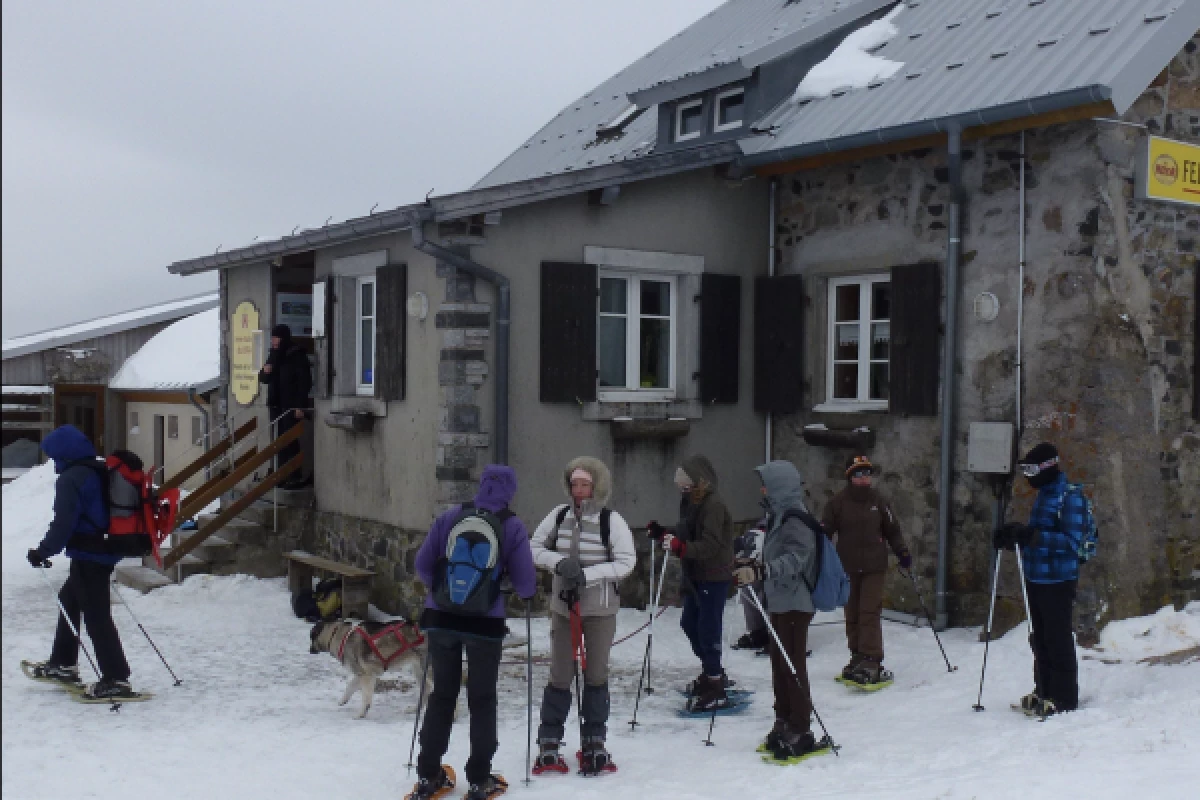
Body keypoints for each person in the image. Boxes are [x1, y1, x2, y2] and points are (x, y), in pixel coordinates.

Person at [409, 465, 537, 800]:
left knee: (442, 695)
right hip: (484, 624)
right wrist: (503, 584)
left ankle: (428, 775)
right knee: (482, 699)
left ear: (480, 484)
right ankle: (479, 779)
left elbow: (422, 566)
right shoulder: (512, 526)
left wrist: (444, 590)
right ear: (511, 490)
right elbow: (526, 586)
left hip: (440, 619)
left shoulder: (451, 516)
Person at [529, 457, 636, 774]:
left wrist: (588, 575)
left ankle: (594, 740)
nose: (579, 491)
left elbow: (626, 562)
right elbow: (533, 547)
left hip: (599, 610)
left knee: (596, 673)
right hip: (563, 609)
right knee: (561, 673)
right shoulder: (558, 516)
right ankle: (549, 741)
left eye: (585, 484)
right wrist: (559, 564)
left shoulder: (611, 521)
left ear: (597, 485)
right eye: (574, 484)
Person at [24, 425, 136, 699]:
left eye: (53, 455)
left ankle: (116, 679)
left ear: (62, 453)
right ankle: (62, 664)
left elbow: (64, 523)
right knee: (69, 600)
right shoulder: (98, 469)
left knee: (97, 616)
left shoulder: (72, 478)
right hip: (106, 548)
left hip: (90, 554)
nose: (52, 461)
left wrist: (42, 552)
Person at [733, 460, 825, 760]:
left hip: (796, 603)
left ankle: (800, 727)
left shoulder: (794, 518)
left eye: (766, 484)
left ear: (780, 486)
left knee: (792, 664)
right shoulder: (778, 515)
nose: (762, 489)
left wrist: (763, 571)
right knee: (778, 664)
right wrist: (753, 565)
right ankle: (783, 720)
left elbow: (797, 558)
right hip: (779, 600)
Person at [993, 442, 1088, 717]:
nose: (1027, 476)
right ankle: (1044, 689)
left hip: (1058, 580)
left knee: (1057, 639)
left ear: (1048, 467)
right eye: (1024, 470)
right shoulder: (1044, 495)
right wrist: (1015, 537)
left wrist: (1031, 536)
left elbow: (1071, 543)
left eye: (1031, 470)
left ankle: (1065, 697)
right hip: (1036, 577)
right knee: (1041, 639)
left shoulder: (1070, 498)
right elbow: (1038, 535)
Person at [652, 454, 736, 711]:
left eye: (686, 485)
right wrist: (664, 533)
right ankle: (712, 671)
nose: (683, 489)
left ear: (700, 481)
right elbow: (687, 531)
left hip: (714, 574)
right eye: (681, 486)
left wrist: (681, 548)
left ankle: (715, 683)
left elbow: (711, 544)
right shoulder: (690, 502)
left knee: (708, 628)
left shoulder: (714, 505)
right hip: (695, 575)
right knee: (690, 624)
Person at [820, 455, 911, 686]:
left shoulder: (879, 500)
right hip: (847, 567)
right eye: (859, 474)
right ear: (850, 477)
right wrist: (821, 558)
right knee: (852, 613)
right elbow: (825, 533)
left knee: (869, 612)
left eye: (867, 473)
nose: (864, 479)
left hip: (874, 566)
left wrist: (902, 552)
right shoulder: (837, 503)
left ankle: (872, 659)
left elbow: (893, 530)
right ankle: (857, 655)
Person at [258, 323, 312, 488]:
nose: (274, 341)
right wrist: (265, 372)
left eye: (277, 337)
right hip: (275, 404)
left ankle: (294, 474)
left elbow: (305, 382)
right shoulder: (274, 355)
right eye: (273, 337)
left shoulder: (296, 355)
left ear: (284, 338)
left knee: (290, 440)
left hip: (290, 405)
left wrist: (300, 406)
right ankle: (280, 474)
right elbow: (264, 379)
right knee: (278, 440)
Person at [732, 518, 769, 652]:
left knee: (766, 596)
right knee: (748, 591)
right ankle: (758, 633)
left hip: (776, 571)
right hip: (759, 569)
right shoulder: (751, 535)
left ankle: (778, 635)